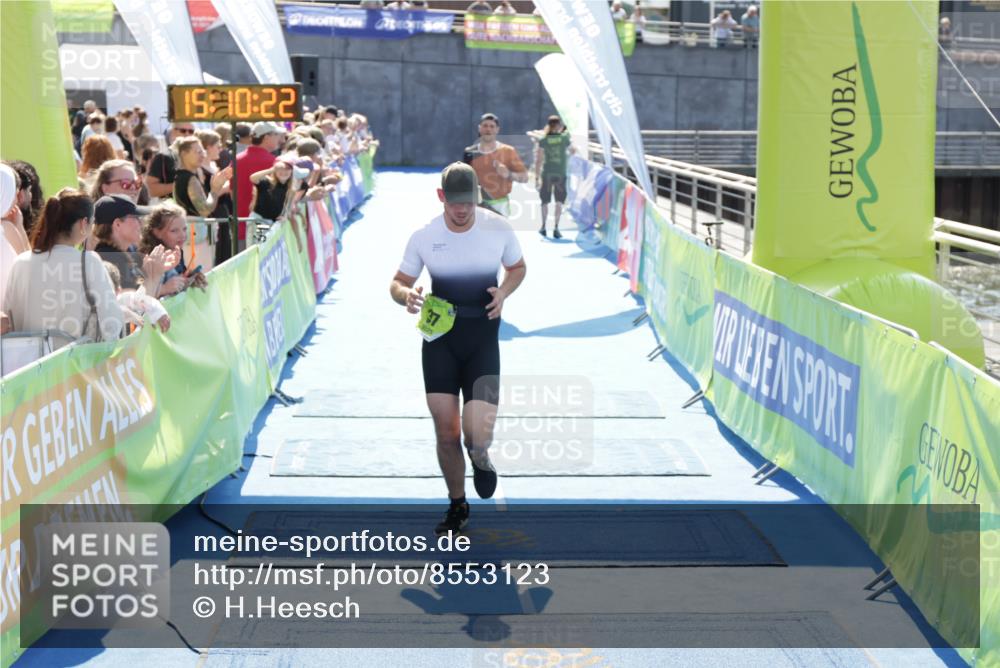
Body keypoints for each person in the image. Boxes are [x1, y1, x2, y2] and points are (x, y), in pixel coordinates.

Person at [389, 163, 526, 535]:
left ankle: (480, 457)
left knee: (475, 437)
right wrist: (407, 295)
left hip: (482, 341)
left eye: (467, 202)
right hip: (439, 342)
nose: (461, 210)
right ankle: (457, 504)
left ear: (477, 198)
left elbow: (517, 268)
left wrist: (505, 292)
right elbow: (398, 282)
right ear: (441, 198)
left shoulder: (498, 228)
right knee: (446, 433)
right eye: (454, 203)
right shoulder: (424, 236)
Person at [3, 188, 124, 345]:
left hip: (29, 363)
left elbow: (9, 319)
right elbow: (112, 323)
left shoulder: (20, 263)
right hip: (77, 365)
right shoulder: (89, 262)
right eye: (92, 222)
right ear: (83, 223)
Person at [93, 195, 175, 296]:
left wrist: (157, 269)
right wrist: (154, 275)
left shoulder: (123, 253)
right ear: (118, 224)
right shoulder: (110, 259)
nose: (141, 222)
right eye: (135, 218)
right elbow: (136, 304)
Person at [462, 113, 528, 217]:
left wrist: (508, 174)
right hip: (475, 205)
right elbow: (464, 180)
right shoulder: (469, 152)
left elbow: (524, 178)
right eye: (485, 125)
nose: (488, 129)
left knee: (499, 233)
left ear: (497, 129)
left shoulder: (508, 151)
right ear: (479, 128)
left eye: (492, 126)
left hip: (499, 205)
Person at [139, 202, 207, 296]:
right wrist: (164, 289)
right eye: (174, 231)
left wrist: (191, 278)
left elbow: (179, 279)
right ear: (157, 232)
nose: (182, 235)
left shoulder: (177, 251)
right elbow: (138, 297)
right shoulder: (149, 258)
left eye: (184, 229)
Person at [234, 121, 283, 248]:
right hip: (265, 227)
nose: (280, 138)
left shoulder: (237, 159)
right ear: (266, 137)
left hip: (240, 227)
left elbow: (231, 192)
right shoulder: (274, 163)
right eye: (276, 134)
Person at [534, 115, 573, 239]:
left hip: (547, 173)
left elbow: (539, 159)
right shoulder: (564, 138)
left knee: (544, 201)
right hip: (560, 173)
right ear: (559, 125)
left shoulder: (543, 139)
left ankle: (543, 226)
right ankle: (556, 227)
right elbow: (573, 150)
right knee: (559, 201)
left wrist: (536, 177)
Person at [146, 122, 196, 200]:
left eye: (191, 131)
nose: (187, 134)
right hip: (173, 207)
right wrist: (180, 185)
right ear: (173, 132)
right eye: (183, 131)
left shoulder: (199, 155)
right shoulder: (163, 157)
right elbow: (151, 190)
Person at [250, 156, 297, 222]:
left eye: (288, 169)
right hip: (260, 219)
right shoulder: (266, 182)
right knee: (261, 232)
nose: (284, 172)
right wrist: (271, 170)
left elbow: (288, 207)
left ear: (292, 171)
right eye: (280, 169)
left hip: (274, 223)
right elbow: (253, 178)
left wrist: (285, 216)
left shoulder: (291, 189)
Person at [1, 165, 30, 256]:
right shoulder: (6, 228)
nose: (16, 201)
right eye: (15, 194)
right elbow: (29, 266)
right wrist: (19, 228)